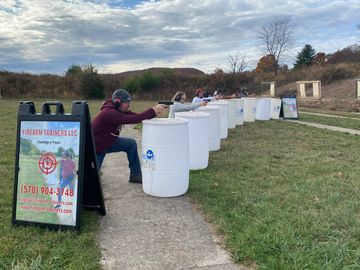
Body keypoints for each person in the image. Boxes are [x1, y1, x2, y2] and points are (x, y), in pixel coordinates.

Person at [92, 88, 166, 184]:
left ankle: (135, 175)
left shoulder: (117, 108)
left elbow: (138, 116)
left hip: (108, 142)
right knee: (91, 182)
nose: (129, 105)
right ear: (118, 102)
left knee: (130, 144)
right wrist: (152, 110)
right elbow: (134, 119)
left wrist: (154, 113)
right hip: (97, 148)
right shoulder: (109, 113)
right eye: (127, 102)